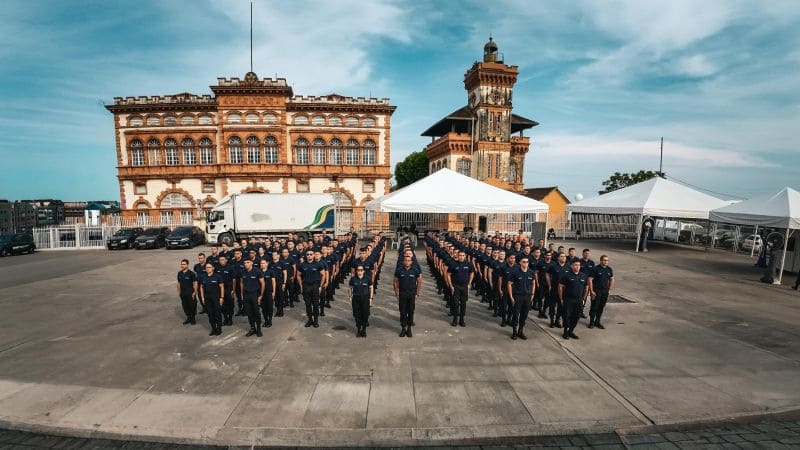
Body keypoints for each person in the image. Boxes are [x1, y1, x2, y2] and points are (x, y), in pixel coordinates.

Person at [559, 260, 589, 340]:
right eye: (575, 265)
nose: (577, 266)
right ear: (572, 266)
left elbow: (586, 287)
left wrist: (583, 299)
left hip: (579, 300)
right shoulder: (566, 275)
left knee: (576, 316)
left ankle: (571, 331)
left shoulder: (583, 276)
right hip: (568, 299)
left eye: (579, 265)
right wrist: (561, 298)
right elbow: (560, 286)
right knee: (566, 316)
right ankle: (566, 331)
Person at [508, 255, 536, 340]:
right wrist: (511, 297)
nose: (526, 263)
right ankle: (514, 332)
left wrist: (532, 294)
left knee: (524, 315)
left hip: (527, 297)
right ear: (520, 263)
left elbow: (533, 283)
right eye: (524, 262)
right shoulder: (515, 272)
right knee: (516, 315)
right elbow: (509, 284)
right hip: (518, 296)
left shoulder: (531, 272)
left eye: (527, 262)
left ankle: (520, 331)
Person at [298, 249, 327, 328]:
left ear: (314, 255)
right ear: (306, 256)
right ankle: (310, 319)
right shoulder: (302, 265)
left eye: (311, 254)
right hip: (306, 286)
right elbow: (298, 275)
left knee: (315, 304)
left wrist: (320, 286)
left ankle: (316, 320)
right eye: (308, 254)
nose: (309, 256)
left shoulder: (318, 264)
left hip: (315, 286)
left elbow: (323, 275)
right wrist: (301, 286)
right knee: (308, 304)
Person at [394, 254, 421, 337]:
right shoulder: (399, 270)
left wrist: (417, 293)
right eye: (406, 260)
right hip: (402, 294)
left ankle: (409, 328)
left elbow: (419, 281)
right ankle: (403, 328)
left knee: (410, 311)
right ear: (403, 261)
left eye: (409, 260)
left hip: (411, 294)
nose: (407, 262)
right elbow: (395, 282)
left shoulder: (415, 270)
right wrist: (397, 292)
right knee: (402, 312)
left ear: (411, 262)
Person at [447, 250, 474, 327]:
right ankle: (455, 320)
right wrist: (451, 286)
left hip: (464, 287)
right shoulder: (453, 264)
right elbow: (448, 274)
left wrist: (469, 284)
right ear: (457, 256)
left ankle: (462, 320)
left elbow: (472, 273)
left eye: (463, 255)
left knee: (463, 304)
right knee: (455, 304)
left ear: (465, 256)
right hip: (456, 287)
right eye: (460, 255)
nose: (461, 257)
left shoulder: (468, 264)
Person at [240, 259, 264, 337]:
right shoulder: (243, 272)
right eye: (244, 263)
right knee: (249, 313)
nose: (246, 264)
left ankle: (259, 329)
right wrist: (242, 294)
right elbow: (241, 283)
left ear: (252, 263)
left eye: (248, 262)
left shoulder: (257, 271)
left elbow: (262, 283)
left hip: (255, 294)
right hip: (246, 294)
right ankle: (252, 328)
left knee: (256, 313)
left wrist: (260, 295)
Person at [588, 254, 614, 329]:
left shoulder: (609, 269)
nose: (606, 262)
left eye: (607, 260)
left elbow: (612, 279)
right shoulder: (595, 269)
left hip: (604, 291)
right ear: (601, 261)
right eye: (604, 260)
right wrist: (591, 291)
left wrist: (609, 289)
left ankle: (597, 322)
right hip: (596, 291)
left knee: (601, 307)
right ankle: (591, 322)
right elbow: (590, 280)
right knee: (594, 307)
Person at [199, 262, 223, 336]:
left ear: (213, 268)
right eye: (206, 267)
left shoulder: (217, 276)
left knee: (217, 314)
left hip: (216, 297)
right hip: (207, 298)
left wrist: (222, 297)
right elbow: (201, 287)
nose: (207, 269)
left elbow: (222, 287)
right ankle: (213, 329)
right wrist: (202, 297)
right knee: (210, 314)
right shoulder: (203, 276)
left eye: (209, 267)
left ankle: (219, 329)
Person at [349, 265, 373, 337]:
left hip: (365, 298)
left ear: (363, 271)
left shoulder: (368, 279)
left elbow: (371, 288)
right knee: (357, 315)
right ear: (356, 271)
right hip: (356, 298)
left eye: (361, 270)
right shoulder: (353, 279)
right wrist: (350, 297)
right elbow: (350, 288)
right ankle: (358, 329)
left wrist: (371, 298)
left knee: (365, 314)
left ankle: (364, 329)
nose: (360, 272)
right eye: (358, 270)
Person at [176, 259, 198, 325]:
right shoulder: (179, 273)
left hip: (190, 293)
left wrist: (195, 292)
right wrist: (179, 291)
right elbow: (178, 283)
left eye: (184, 264)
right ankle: (189, 317)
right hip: (183, 293)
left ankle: (193, 318)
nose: (182, 265)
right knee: (185, 306)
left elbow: (195, 283)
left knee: (192, 305)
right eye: (182, 264)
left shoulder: (191, 274)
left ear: (187, 265)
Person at [216, 255, 235, 326]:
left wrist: (233, 289)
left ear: (226, 260)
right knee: (222, 305)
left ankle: (230, 319)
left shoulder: (230, 267)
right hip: (220, 289)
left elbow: (233, 279)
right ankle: (225, 319)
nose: (222, 261)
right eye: (220, 260)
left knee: (230, 304)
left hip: (228, 289)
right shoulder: (217, 268)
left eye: (223, 259)